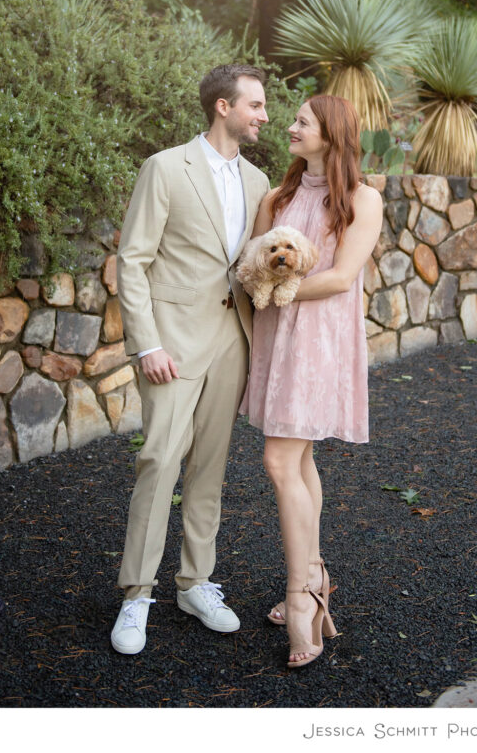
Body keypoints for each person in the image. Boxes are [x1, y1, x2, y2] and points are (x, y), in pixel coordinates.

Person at [111, 64, 270, 655]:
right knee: (158, 460)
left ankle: (196, 582)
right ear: (223, 107)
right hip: (172, 341)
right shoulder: (164, 167)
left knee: (211, 466)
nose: (264, 115)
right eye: (255, 104)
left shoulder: (258, 183)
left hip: (234, 338)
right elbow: (133, 259)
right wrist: (147, 342)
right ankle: (136, 595)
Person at [239, 94, 383, 668]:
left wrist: (281, 292)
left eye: (302, 121)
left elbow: (343, 277)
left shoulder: (362, 199)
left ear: (332, 133)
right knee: (298, 463)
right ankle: (317, 571)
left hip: (319, 342)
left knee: (279, 463)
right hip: (277, 339)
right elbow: (252, 261)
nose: (290, 127)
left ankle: (301, 599)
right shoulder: (279, 197)